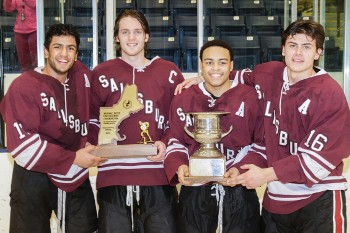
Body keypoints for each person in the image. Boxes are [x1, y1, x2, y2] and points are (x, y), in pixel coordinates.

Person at [176, 19, 350, 233]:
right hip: (275, 199)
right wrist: (202, 79)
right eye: (293, 45)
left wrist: (266, 175)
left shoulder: (329, 93)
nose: (298, 53)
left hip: (318, 199)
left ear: (318, 53)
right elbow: (234, 75)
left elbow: (316, 162)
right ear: (283, 49)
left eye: (307, 47)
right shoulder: (269, 73)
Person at [0, 23, 106, 233]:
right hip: (32, 176)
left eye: (70, 48)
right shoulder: (24, 86)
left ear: (77, 55)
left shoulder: (82, 77)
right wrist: (74, 158)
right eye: (57, 47)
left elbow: (97, 110)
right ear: (46, 51)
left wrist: (91, 142)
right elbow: (22, 148)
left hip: (75, 176)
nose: (64, 54)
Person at [88, 9, 185, 233]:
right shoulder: (101, 73)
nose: (131, 37)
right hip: (113, 176)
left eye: (137, 31)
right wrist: (91, 146)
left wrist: (166, 142)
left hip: (158, 175)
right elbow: (92, 120)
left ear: (146, 36)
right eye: (125, 32)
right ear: (116, 37)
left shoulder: (169, 72)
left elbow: (177, 122)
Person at [164, 39, 264, 233]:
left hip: (239, 188)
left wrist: (239, 170)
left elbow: (262, 142)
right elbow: (174, 139)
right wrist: (179, 165)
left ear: (231, 66)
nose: (215, 68)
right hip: (195, 191)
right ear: (201, 65)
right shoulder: (183, 98)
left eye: (222, 62)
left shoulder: (250, 97)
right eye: (209, 62)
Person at [3, 0, 37, 71]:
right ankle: (25, 78)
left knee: (35, 60)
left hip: (34, 30)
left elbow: (34, 4)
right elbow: (8, 8)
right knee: (23, 61)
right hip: (19, 30)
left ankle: (36, 79)